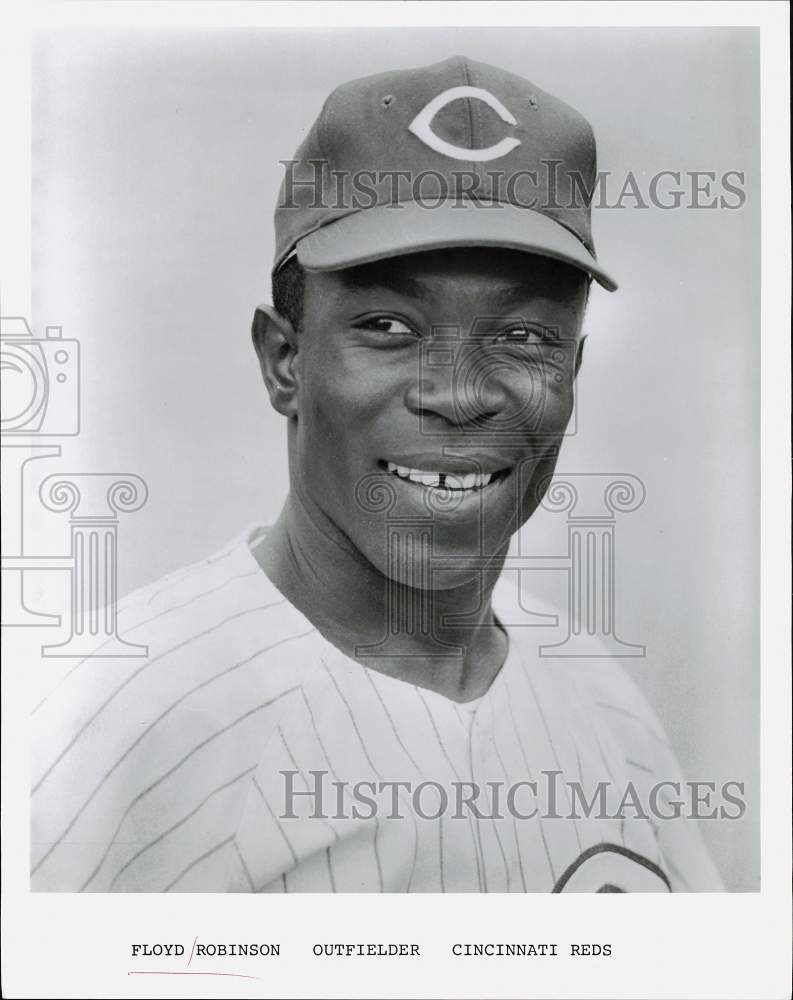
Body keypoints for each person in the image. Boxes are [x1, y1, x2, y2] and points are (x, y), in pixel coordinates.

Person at [31, 56, 723, 892]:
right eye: (389, 324)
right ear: (284, 359)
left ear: (572, 369)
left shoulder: (602, 700)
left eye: (523, 338)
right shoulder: (101, 723)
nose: (460, 395)